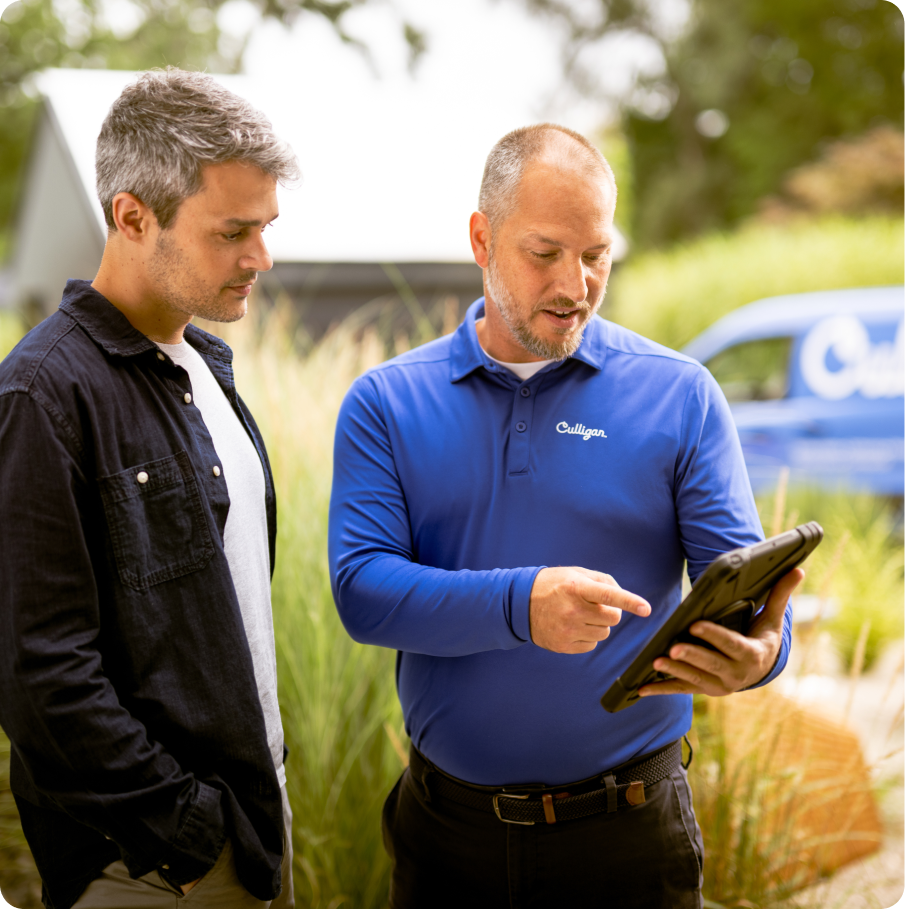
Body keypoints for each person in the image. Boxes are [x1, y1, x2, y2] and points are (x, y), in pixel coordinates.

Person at [328, 123, 803, 908]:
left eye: (596, 255)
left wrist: (764, 655)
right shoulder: (385, 403)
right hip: (448, 840)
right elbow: (363, 591)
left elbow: (744, 593)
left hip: (631, 837)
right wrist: (522, 606)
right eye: (545, 253)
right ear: (481, 237)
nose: (575, 284)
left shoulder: (679, 395)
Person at [0, 69, 300, 909]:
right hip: (151, 871)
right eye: (233, 231)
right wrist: (188, 834)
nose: (261, 258)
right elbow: (41, 673)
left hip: (249, 826)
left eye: (266, 226)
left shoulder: (204, 364)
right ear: (132, 217)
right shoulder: (41, 397)